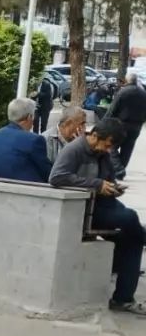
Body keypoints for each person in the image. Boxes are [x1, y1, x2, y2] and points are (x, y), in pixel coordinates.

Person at [50, 118, 146, 316]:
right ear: (94, 136)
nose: (107, 149)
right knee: (131, 218)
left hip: (104, 204)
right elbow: (57, 177)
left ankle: (123, 298)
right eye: (107, 144)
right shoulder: (74, 150)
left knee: (132, 242)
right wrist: (96, 184)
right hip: (85, 209)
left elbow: (107, 179)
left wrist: (112, 188)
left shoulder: (104, 154)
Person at [0, 98, 53, 184]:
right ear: (29, 117)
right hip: (32, 192)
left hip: (2, 190)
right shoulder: (35, 140)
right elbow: (50, 174)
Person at [107, 72, 146, 172]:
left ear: (127, 80)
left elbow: (113, 109)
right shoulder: (143, 93)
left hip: (122, 124)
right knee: (128, 148)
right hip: (137, 126)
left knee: (112, 146)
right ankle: (121, 168)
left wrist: (105, 122)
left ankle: (118, 168)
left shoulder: (123, 92)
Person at [34, 68, 59, 134]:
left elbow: (48, 94)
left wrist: (38, 94)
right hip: (36, 106)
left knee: (43, 123)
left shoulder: (46, 84)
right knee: (35, 121)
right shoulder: (33, 85)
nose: (37, 81)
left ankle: (43, 135)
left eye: (38, 79)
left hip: (45, 106)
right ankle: (35, 135)